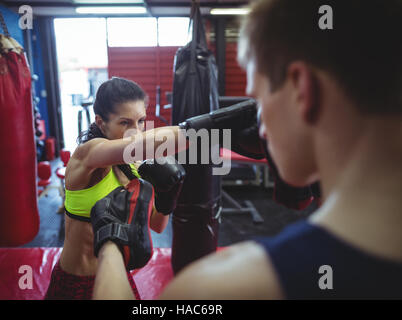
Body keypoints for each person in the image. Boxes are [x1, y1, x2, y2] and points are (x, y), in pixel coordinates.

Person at [90, 0, 402, 299]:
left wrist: (110, 244)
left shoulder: (224, 287)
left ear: (301, 91)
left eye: (260, 102)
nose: (261, 125)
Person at [45, 77, 186, 300]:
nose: (135, 132)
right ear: (101, 123)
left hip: (118, 275)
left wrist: (167, 197)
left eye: (140, 121)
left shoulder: (135, 166)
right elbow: (141, 144)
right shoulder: (87, 155)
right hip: (75, 281)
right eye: (125, 123)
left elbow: (157, 225)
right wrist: (208, 127)